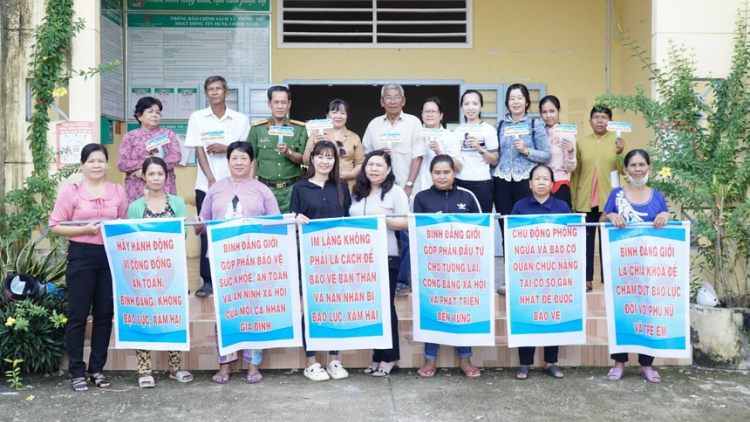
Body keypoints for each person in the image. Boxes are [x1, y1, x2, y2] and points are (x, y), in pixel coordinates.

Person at [194, 141, 281, 384]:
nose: (239, 162)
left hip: (254, 262)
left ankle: (253, 366)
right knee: (226, 312)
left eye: (244, 158)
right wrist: (198, 222)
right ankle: (225, 365)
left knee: (254, 311)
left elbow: (275, 225)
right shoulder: (215, 189)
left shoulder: (263, 190)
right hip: (223, 261)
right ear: (228, 161)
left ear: (252, 162)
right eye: (234, 158)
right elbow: (202, 224)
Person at [49, 144, 129, 392]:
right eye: (91, 161)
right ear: (82, 165)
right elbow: (55, 225)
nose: (97, 165)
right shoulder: (71, 192)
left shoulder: (118, 191)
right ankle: (76, 371)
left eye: (101, 161)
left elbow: (123, 224)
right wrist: (84, 230)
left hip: (109, 257)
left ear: (108, 164)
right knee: (78, 316)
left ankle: (97, 369)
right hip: (81, 255)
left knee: (105, 315)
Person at [602, 149, 668, 384]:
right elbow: (601, 220)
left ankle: (646, 365)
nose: (638, 169)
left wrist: (666, 217)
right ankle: (619, 363)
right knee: (622, 311)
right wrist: (610, 216)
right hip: (623, 268)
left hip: (651, 268)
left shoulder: (658, 196)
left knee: (648, 312)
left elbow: (666, 219)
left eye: (642, 164)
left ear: (649, 168)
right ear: (625, 169)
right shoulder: (617, 194)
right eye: (633, 165)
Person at [414, 155, 483, 380]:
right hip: (433, 268)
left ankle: (466, 358)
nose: (442, 177)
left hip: (464, 268)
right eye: (437, 173)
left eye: (446, 172)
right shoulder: (421, 197)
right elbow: (416, 231)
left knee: (462, 312)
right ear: (430, 174)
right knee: (433, 309)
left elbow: (481, 229)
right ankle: (429, 359)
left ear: (454, 173)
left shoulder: (468, 196)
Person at [126, 157, 192, 388]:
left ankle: (175, 367)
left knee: (173, 316)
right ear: (143, 176)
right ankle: (144, 370)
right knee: (144, 316)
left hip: (171, 270)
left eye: (160, 174)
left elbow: (181, 234)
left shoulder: (176, 203)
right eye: (151, 174)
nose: (156, 178)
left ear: (166, 176)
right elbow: (130, 239)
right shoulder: (135, 206)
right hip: (143, 272)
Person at [184, 75, 251, 298]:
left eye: (218, 89)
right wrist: (211, 180)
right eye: (210, 89)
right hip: (206, 185)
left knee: (236, 227)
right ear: (206, 94)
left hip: (237, 185)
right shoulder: (197, 117)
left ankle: (236, 276)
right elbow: (199, 150)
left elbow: (243, 150)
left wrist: (227, 148)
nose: (214, 93)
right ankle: (208, 280)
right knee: (205, 231)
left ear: (226, 92)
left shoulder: (240, 119)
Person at [292, 141, 352, 382]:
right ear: (312, 159)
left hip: (337, 256)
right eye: (320, 156)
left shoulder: (342, 187)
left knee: (335, 306)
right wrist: (296, 218)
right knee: (311, 308)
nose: (325, 161)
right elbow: (293, 217)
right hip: (310, 256)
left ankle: (334, 359)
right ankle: (312, 362)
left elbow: (347, 219)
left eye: (330, 157)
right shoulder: (300, 188)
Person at [349, 151, 409, 377]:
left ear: (388, 169)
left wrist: (384, 219)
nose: (373, 169)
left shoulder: (395, 192)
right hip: (360, 259)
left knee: (386, 307)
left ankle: (390, 356)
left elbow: (405, 222)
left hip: (386, 256)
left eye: (378, 165)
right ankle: (377, 355)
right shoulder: (357, 192)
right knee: (372, 308)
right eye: (370, 164)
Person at [362, 83, 425, 295]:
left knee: (406, 235)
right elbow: (366, 155)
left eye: (396, 97)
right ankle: (375, 276)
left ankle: (401, 281)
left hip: (405, 188)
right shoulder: (373, 125)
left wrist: (408, 185)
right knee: (378, 232)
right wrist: (377, 152)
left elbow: (418, 156)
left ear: (403, 101)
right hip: (378, 189)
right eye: (388, 97)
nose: (392, 101)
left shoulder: (414, 123)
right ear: (382, 102)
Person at [510, 164, 571, 380]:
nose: (542, 182)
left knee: (552, 314)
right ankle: (525, 363)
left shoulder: (562, 206)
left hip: (554, 272)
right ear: (530, 183)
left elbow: (570, 237)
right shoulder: (520, 206)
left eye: (546, 179)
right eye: (537, 178)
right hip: (527, 272)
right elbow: (512, 237)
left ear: (553, 184)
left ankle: (550, 362)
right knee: (527, 313)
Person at [569, 106, 625, 292]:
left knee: (608, 241)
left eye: (604, 117)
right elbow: (575, 173)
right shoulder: (582, 142)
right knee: (586, 241)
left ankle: (608, 280)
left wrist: (621, 153)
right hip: (585, 199)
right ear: (590, 121)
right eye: (596, 117)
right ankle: (587, 280)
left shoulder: (618, 143)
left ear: (610, 121)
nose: (600, 121)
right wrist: (574, 201)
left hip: (609, 200)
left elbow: (624, 171)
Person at [494, 84, 550, 246]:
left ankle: (526, 268)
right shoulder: (500, 126)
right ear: (507, 102)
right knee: (506, 228)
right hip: (502, 180)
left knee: (525, 229)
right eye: (512, 98)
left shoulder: (534, 124)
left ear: (526, 102)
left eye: (520, 98)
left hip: (525, 181)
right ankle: (508, 269)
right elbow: (495, 154)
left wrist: (526, 151)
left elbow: (545, 155)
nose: (515, 102)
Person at [247, 85, 308, 213]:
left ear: (289, 104)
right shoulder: (258, 129)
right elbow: (251, 160)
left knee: (293, 226)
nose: (280, 106)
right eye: (276, 102)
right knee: (266, 227)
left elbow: (304, 160)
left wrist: (288, 152)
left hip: (292, 188)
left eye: (283, 102)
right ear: (269, 104)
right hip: (265, 188)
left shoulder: (299, 128)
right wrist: (250, 186)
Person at [118, 97, 182, 204]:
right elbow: (122, 164)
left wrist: (152, 166)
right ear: (139, 116)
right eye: (150, 111)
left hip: (164, 186)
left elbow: (176, 157)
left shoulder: (167, 134)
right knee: (138, 217)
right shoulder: (130, 137)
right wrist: (146, 165)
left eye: (158, 112)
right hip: (136, 188)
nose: (155, 115)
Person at [303, 98, 364, 190]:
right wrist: (314, 145)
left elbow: (360, 163)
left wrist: (351, 174)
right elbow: (306, 161)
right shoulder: (316, 133)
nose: (338, 116)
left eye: (343, 113)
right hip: (321, 184)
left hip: (347, 185)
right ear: (327, 115)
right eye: (334, 112)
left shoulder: (354, 137)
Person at [454, 90, 499, 214]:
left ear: (481, 107)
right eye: (466, 104)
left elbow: (494, 160)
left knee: (482, 222)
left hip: (482, 182)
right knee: (461, 223)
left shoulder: (488, 130)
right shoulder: (457, 131)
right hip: (459, 181)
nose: (470, 107)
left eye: (475, 103)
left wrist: (480, 149)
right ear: (461, 107)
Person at [417, 97, 462, 192]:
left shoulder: (449, 136)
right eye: (426, 111)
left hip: (442, 190)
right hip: (418, 188)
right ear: (421, 115)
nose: (429, 114)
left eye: (433, 111)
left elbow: (458, 166)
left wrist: (439, 153)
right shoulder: (415, 134)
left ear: (441, 115)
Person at [539, 95, 577, 209]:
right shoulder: (539, 133)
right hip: (541, 184)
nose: (548, 115)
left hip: (560, 185)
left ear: (559, 111)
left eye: (552, 111)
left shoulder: (567, 133)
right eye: (544, 112)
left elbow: (570, 168)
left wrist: (570, 152)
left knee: (561, 223)